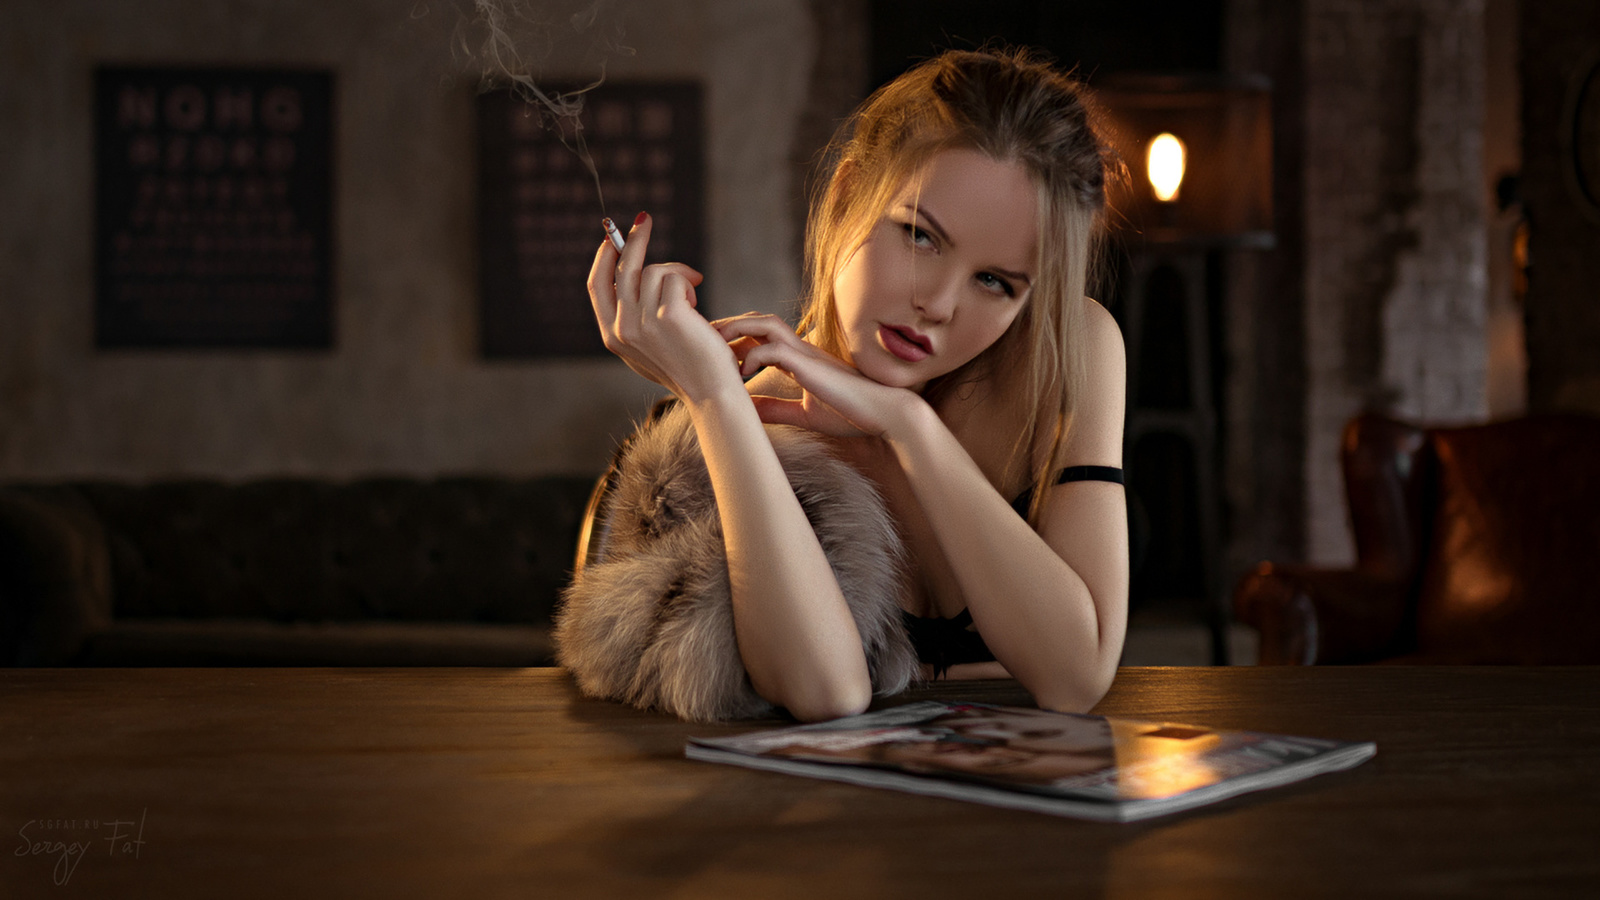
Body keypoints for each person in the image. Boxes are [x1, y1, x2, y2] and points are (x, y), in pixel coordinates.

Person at [557, 47, 1128, 724]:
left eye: (995, 281)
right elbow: (827, 691)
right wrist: (716, 400)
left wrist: (908, 427)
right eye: (919, 235)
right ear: (849, 193)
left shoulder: (1066, 352)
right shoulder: (752, 422)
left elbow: (1076, 677)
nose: (940, 303)